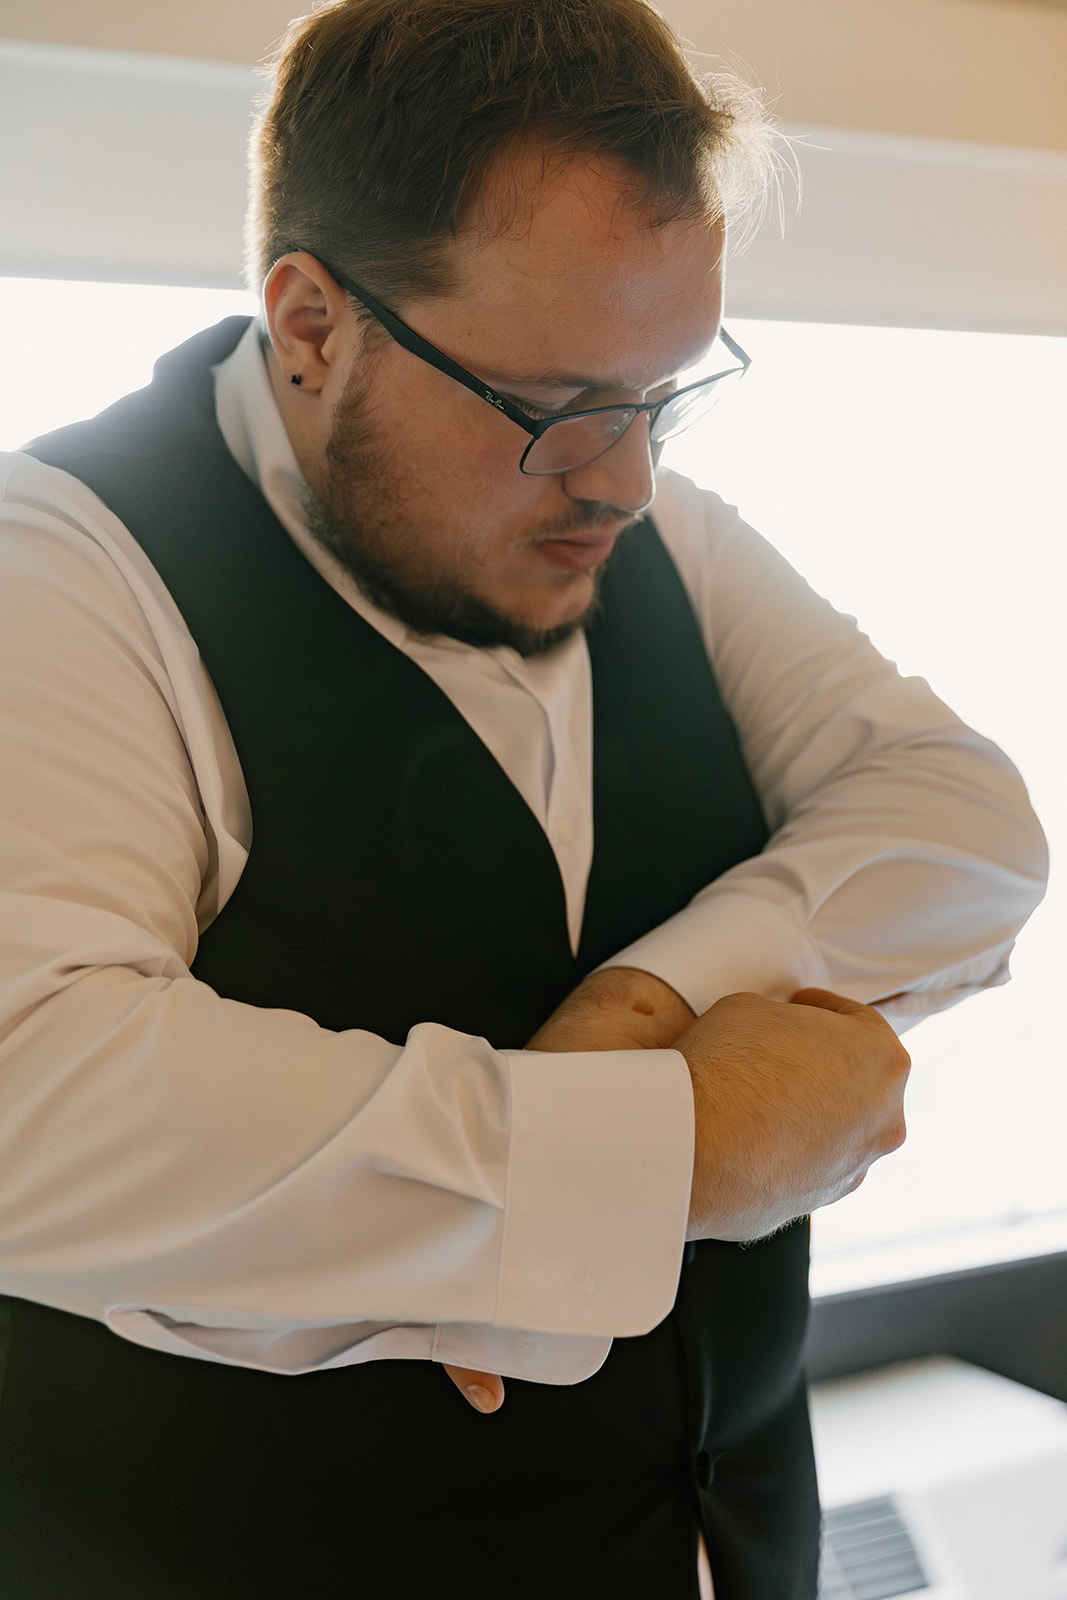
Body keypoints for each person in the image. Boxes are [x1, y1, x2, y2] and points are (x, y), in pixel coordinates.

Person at [0, 1, 1046, 1596]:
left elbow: (960, 819)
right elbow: (37, 1099)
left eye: (670, 390)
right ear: (310, 324)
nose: (624, 479)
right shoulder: (62, 569)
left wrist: (649, 999)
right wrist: (681, 1144)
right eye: (556, 407)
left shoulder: (655, 520)